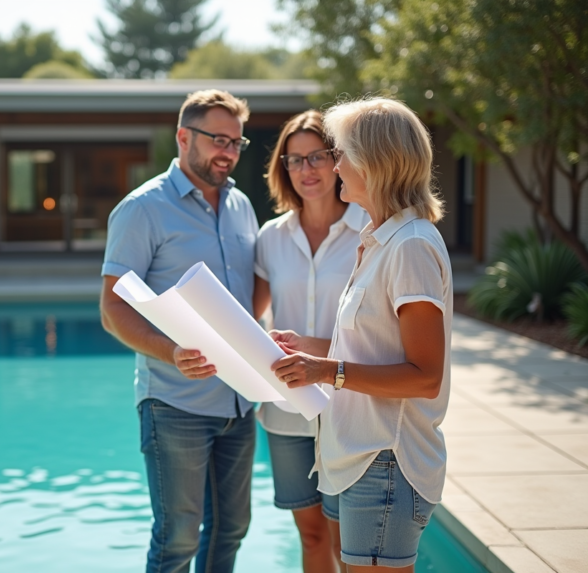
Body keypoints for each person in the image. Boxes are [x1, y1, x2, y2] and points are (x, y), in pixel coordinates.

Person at [270, 97, 452, 572]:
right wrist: (304, 347)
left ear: (376, 162)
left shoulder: (410, 246)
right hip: (365, 461)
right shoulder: (380, 241)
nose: (337, 164)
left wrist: (324, 371)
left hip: (387, 461)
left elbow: (424, 377)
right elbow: (369, 344)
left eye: (343, 153)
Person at [100, 89, 259, 573]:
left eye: (237, 142)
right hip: (176, 405)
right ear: (183, 136)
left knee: (230, 530)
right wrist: (172, 352)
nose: (228, 152)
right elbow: (112, 309)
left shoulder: (242, 206)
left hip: (240, 401)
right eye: (218, 139)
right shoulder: (142, 208)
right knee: (176, 542)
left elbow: (251, 293)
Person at [253, 110, 368, 573]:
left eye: (317, 156)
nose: (307, 170)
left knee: (347, 541)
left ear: (338, 159)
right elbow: (247, 317)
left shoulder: (370, 230)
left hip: (348, 407)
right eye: (294, 159)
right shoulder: (270, 238)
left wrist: (313, 345)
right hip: (287, 410)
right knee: (312, 532)